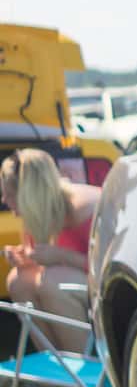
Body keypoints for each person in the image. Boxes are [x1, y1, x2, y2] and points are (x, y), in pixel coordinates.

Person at [2, 150, 99, 352]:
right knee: (18, 280)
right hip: (82, 284)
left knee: (53, 282)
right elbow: (46, 259)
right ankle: (56, 365)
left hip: (105, 288)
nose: (4, 200)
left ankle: (83, 371)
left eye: (10, 194)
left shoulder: (86, 209)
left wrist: (62, 256)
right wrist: (27, 258)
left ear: (29, 194)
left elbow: (112, 267)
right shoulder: (41, 211)